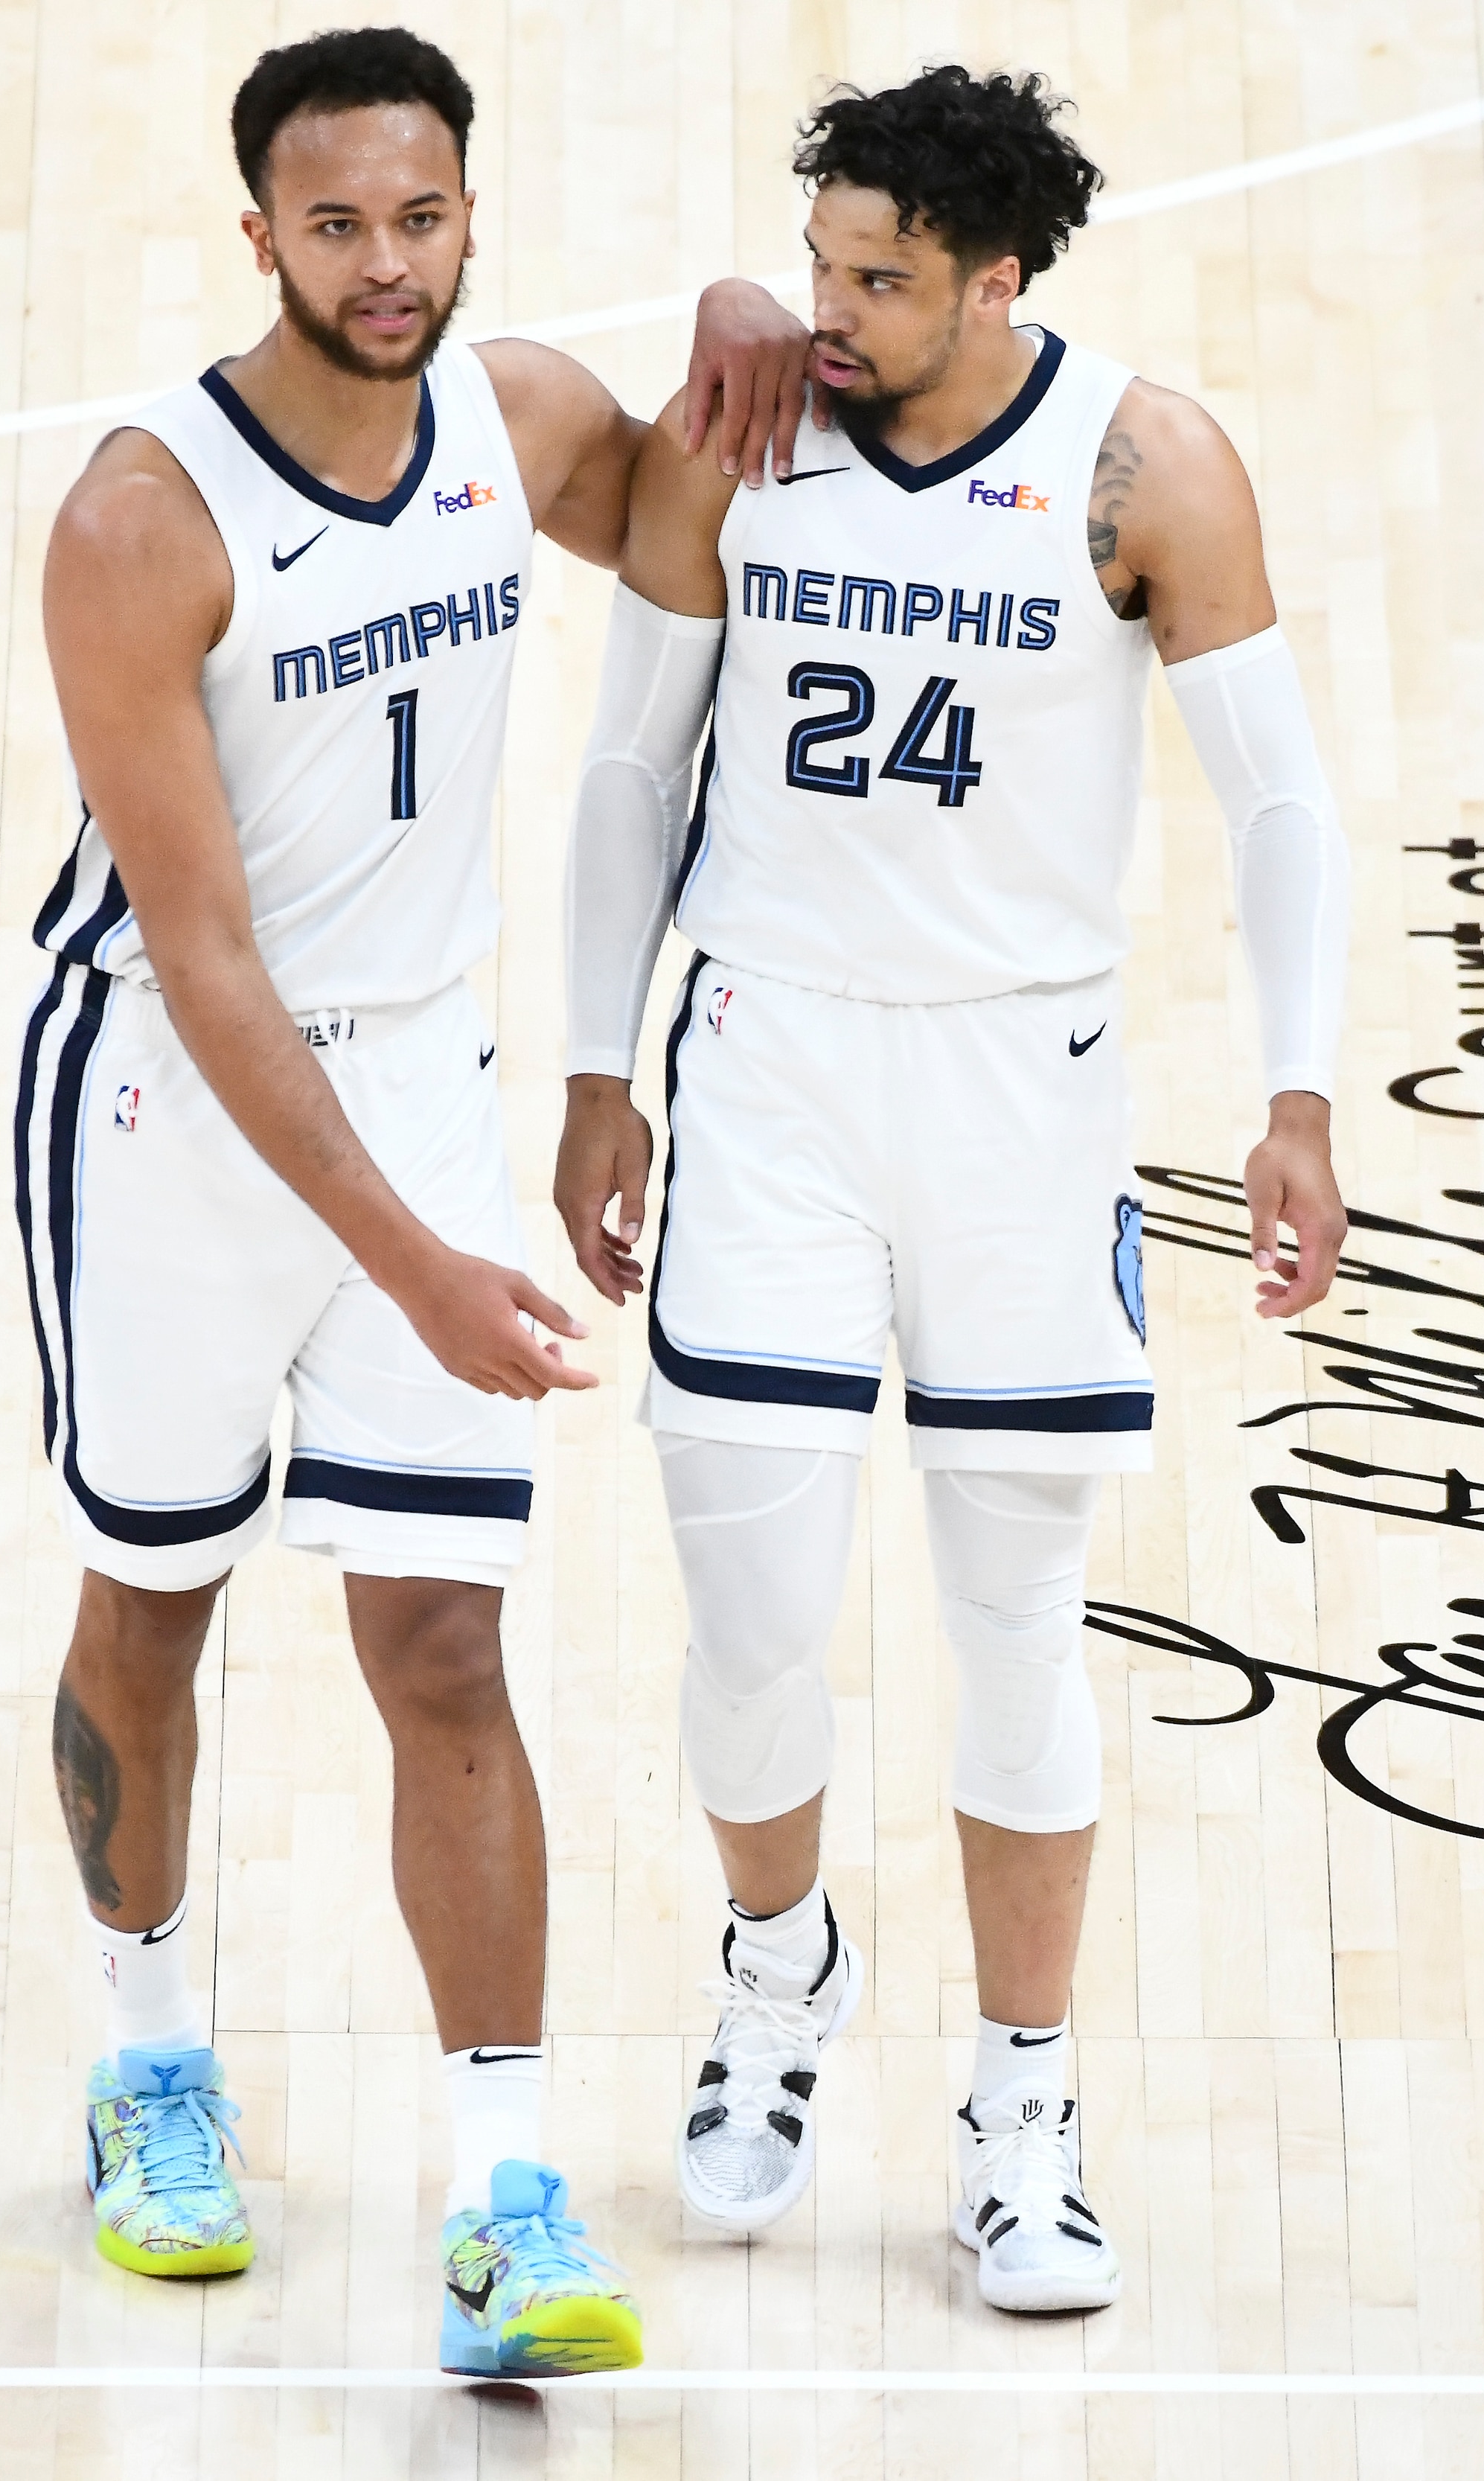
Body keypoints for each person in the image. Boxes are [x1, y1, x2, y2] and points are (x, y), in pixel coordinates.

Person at [21, 25, 810, 2378]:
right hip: (168, 1100)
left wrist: (738, 328)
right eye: (338, 225)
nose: (386, 264)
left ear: (472, 217)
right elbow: (206, 963)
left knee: (445, 1648)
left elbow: (683, 518)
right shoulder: (142, 520)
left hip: (422, 1075)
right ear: (259, 236)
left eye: (422, 218)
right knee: (154, 1600)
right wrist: (422, 1269)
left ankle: (501, 2200)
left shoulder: (513, 417)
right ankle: (150, 2062)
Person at [551, 64, 1352, 2315]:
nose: (828, 307)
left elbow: (1281, 801)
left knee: (1018, 1630)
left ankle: (1025, 2102)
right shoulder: (742, 433)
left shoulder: (1144, 464)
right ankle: (774, 1973)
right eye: (815, 260)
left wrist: (1299, 1095)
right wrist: (601, 1065)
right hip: (773, 1078)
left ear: (1000, 280)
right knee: (751, 1622)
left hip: (1025, 1095)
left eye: (880, 277)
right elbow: (628, 763)